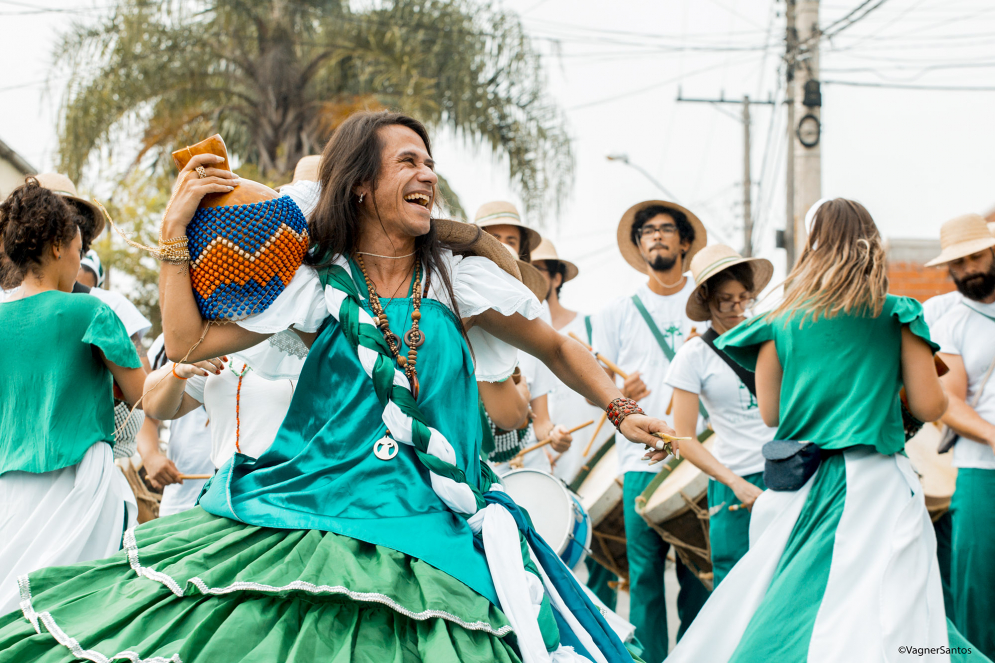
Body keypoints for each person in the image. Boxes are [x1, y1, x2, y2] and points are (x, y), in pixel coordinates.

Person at [0, 111, 675, 662]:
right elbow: (187, 345)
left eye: (428, 161)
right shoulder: (313, 284)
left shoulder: (457, 279)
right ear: (359, 184)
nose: (427, 173)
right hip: (312, 507)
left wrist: (619, 410)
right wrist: (175, 237)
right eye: (407, 160)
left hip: (433, 517)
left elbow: (554, 343)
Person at [660, 198, 987, 663]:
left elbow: (771, 413)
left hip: (803, 485)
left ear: (811, 246)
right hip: (881, 483)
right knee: (900, 612)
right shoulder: (899, 313)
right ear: (873, 243)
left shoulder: (781, 320)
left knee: (790, 609)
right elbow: (931, 403)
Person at [0, 179, 145, 615]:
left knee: (15, 615)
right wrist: (184, 369)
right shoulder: (93, 312)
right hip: (82, 484)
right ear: (59, 247)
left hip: (11, 490)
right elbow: (146, 396)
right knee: (86, 613)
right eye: (81, 249)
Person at [592, 199, 710, 661]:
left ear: (684, 241)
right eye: (647, 231)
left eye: (665, 229)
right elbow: (593, 389)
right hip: (639, 457)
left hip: (695, 454)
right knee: (642, 576)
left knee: (698, 573)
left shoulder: (706, 302)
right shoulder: (618, 310)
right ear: (639, 245)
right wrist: (620, 390)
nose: (656, 236)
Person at [663, 245, 775, 588]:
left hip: (785, 472)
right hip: (734, 483)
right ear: (707, 299)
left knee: (786, 582)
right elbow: (683, 439)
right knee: (735, 588)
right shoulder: (693, 356)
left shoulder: (771, 338)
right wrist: (735, 483)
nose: (737, 308)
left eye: (744, 297)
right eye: (726, 299)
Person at [531, 238, 620, 609]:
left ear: (555, 278)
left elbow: (603, 391)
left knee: (603, 570)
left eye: (538, 271)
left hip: (592, 465)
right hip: (538, 464)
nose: (530, 278)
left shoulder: (590, 328)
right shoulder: (511, 329)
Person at [926, 213, 995, 660]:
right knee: (978, 597)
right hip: (980, 473)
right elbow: (950, 402)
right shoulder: (949, 319)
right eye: (959, 262)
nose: (969, 267)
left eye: (976, 256)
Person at [475, 203, 572, 472]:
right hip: (476, 473)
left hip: (532, 467)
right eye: (493, 238)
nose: (502, 246)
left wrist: (554, 435)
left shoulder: (536, 316)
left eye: (511, 240)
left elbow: (541, 422)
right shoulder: (457, 311)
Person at [144, 334, 217, 516]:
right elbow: (143, 405)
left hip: (242, 495)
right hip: (181, 497)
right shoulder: (168, 341)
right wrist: (151, 456)